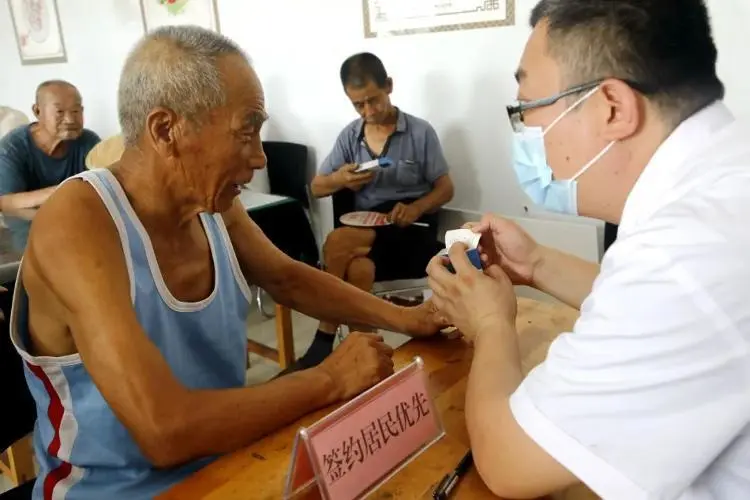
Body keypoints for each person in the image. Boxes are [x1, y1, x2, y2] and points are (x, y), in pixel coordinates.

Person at [10, 27, 445, 500]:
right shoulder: (78, 222)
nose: (260, 157)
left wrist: (410, 318)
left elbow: (286, 277)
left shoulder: (211, 204)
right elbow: (165, 429)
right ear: (165, 130)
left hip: (229, 466)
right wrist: (329, 377)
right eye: (246, 132)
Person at [427, 0, 750, 498]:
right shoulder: (722, 185)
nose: (527, 134)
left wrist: (490, 325)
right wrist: (534, 263)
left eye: (527, 108)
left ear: (612, 108)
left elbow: (509, 461)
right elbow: (649, 304)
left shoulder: (682, 254)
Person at [302, 52, 454, 369]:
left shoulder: (420, 132)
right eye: (359, 105)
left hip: (410, 231)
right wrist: (339, 179)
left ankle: (325, 331)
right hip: (368, 231)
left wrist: (417, 207)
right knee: (358, 271)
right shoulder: (350, 136)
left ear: (389, 86)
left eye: (374, 100)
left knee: (337, 243)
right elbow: (316, 187)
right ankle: (370, 359)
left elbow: (446, 188)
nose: (369, 112)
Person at [0, 80, 100, 211]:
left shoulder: (89, 141)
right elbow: (5, 202)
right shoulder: (12, 148)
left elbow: (105, 184)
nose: (70, 120)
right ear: (37, 111)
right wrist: (64, 190)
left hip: (77, 216)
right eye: (60, 111)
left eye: (76, 111)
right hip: (29, 223)